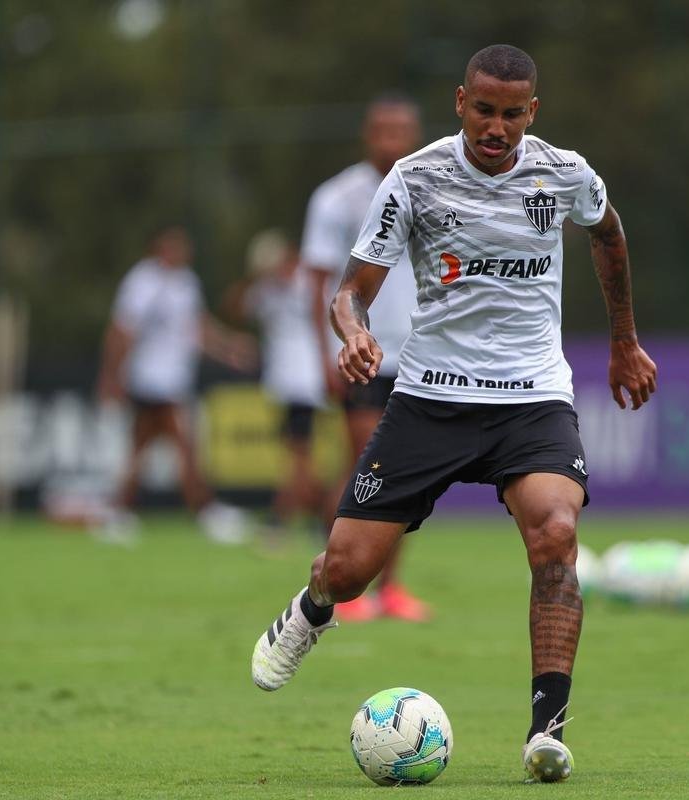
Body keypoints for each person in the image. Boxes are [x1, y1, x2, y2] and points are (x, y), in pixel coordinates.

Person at [250, 44, 657, 781]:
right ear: (460, 101)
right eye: (483, 111)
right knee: (348, 571)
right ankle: (311, 608)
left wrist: (624, 341)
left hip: (532, 397)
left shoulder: (563, 172)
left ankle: (546, 731)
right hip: (431, 396)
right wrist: (354, 335)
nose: (495, 128)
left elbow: (608, 233)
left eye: (511, 115)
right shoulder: (415, 179)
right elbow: (348, 291)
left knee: (557, 534)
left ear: (531, 113)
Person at [299, 93, 430, 622]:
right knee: (367, 466)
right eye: (383, 129)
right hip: (362, 351)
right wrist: (324, 353)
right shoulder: (336, 198)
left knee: (408, 477)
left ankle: (390, 588)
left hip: (422, 354)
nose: (392, 138)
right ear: (368, 133)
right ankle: (342, 583)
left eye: (402, 129)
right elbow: (317, 284)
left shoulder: (434, 188)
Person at [97, 225, 256, 544]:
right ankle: (205, 509)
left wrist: (230, 348)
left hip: (175, 377)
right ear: (160, 249)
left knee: (142, 447)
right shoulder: (143, 281)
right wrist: (111, 376)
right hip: (150, 377)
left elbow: (197, 329)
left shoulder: (186, 283)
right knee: (184, 444)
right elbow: (121, 331)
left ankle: (117, 510)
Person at [234, 229, 327, 535]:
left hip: (305, 378)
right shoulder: (265, 290)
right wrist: (255, 275)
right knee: (300, 453)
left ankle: (282, 515)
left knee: (298, 452)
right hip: (284, 379)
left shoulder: (306, 281)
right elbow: (234, 307)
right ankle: (317, 515)